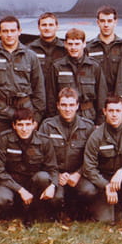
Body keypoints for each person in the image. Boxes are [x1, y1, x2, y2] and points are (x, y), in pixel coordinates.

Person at [82, 95, 122, 226]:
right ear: (104, 111)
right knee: (105, 221)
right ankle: (109, 205)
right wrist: (105, 185)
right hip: (105, 180)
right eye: (111, 111)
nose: (114, 114)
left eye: (118, 110)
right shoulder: (96, 135)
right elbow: (89, 167)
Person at [0, 108, 59, 227]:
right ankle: (14, 210)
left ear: (34, 125)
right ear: (14, 125)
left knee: (43, 177)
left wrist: (53, 185)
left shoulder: (44, 141)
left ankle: (34, 210)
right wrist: (20, 190)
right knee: (1, 199)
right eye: (20, 125)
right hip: (11, 183)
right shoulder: (4, 139)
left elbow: (52, 168)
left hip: (33, 183)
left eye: (28, 124)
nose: (24, 129)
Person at [0, 16, 46, 132]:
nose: (9, 35)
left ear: (19, 31)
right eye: (5, 31)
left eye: (13, 31)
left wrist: (37, 117)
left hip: (24, 113)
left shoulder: (30, 56)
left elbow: (38, 88)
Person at [37, 87, 97, 220]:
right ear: (58, 106)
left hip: (78, 175)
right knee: (56, 198)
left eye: (71, 105)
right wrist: (56, 175)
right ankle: (55, 211)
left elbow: (93, 157)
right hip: (55, 174)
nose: (67, 109)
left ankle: (78, 209)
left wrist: (78, 173)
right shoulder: (47, 126)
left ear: (77, 106)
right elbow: (39, 155)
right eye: (63, 105)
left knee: (89, 191)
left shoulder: (88, 127)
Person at [46, 28, 107, 123]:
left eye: (77, 44)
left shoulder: (94, 66)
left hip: (88, 117)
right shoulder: (57, 67)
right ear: (65, 44)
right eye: (70, 44)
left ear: (84, 44)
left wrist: (100, 122)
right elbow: (51, 97)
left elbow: (101, 96)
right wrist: (54, 120)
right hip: (63, 116)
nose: (73, 47)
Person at [87, 5, 122, 94]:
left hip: (118, 96)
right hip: (96, 95)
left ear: (115, 22)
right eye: (102, 21)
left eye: (109, 21)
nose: (106, 25)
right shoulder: (89, 47)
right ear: (98, 22)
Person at [28, 12, 67, 93]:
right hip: (37, 94)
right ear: (39, 27)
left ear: (57, 27)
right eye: (44, 25)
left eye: (51, 25)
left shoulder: (65, 50)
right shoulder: (29, 49)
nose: (47, 28)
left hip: (60, 95)